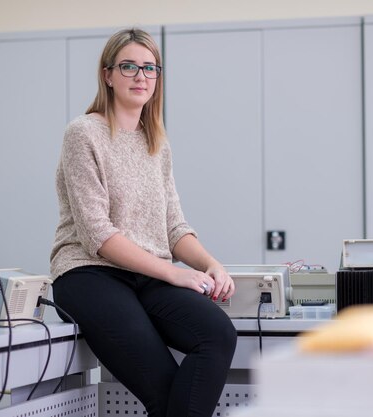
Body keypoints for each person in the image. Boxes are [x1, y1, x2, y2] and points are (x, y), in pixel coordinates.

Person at [49, 28, 237, 417]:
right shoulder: (84, 133)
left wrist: (210, 265)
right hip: (90, 273)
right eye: (129, 66)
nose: (140, 76)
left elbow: (174, 226)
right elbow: (96, 234)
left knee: (218, 334)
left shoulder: (156, 143)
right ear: (108, 75)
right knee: (166, 389)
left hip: (146, 277)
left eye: (150, 68)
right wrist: (174, 273)